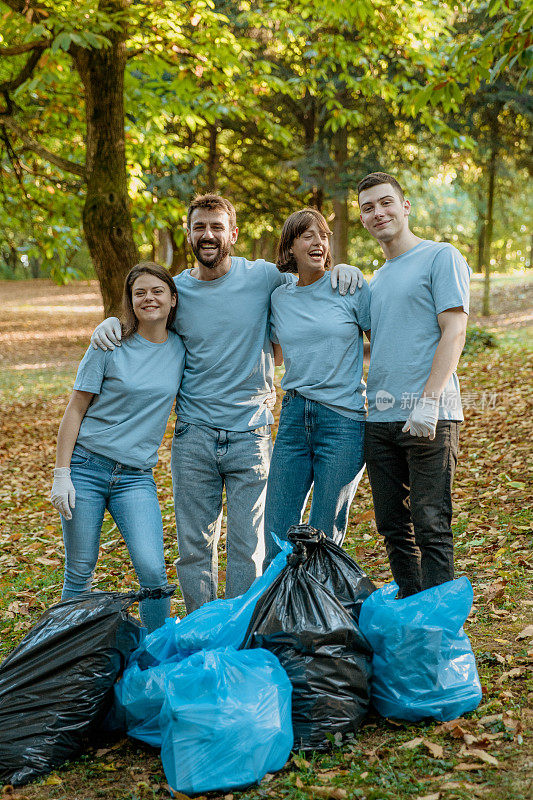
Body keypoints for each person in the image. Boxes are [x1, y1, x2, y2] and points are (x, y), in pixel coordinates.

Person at [90, 194, 364, 613]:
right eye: (200, 227)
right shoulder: (176, 291)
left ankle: (240, 630)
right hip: (194, 435)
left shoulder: (264, 278)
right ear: (188, 233)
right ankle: (204, 632)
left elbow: (310, 277)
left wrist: (339, 268)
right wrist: (112, 321)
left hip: (251, 434)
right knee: (194, 548)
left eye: (217, 226)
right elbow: (140, 320)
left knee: (248, 548)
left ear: (233, 233)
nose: (208, 235)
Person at [51, 262, 185, 632]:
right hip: (86, 467)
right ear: (129, 300)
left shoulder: (181, 349)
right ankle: (65, 653)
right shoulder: (108, 344)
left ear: (173, 299)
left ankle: (156, 655)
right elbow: (75, 409)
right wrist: (62, 473)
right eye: (139, 292)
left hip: (135, 476)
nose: (148, 298)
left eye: (157, 291)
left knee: (153, 571)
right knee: (79, 571)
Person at [358, 171, 470, 598]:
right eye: (368, 207)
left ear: (405, 206)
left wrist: (429, 401)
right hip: (380, 419)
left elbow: (454, 330)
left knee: (431, 524)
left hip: (429, 418)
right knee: (392, 527)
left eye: (386, 202)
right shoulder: (379, 278)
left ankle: (439, 628)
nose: (378, 212)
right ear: (364, 220)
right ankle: (411, 608)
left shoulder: (440, 256)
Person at [263, 209, 371, 566]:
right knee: (276, 532)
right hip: (294, 417)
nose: (318, 242)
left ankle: (321, 617)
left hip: (343, 420)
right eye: (307, 235)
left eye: (323, 235)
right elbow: (276, 355)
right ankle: (274, 616)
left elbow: (382, 345)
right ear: (290, 247)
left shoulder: (351, 287)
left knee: (324, 535)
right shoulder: (280, 298)